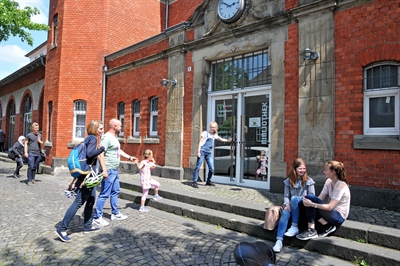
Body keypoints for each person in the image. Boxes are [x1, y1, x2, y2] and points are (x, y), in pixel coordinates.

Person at [55, 120, 108, 242]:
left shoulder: (88, 139)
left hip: (88, 175)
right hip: (87, 177)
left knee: (91, 200)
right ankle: (62, 229)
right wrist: (101, 149)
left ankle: (88, 226)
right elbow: (90, 154)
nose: (102, 130)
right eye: (100, 128)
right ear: (94, 129)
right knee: (78, 203)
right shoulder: (93, 138)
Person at [93, 118, 138, 226]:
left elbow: (118, 150)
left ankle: (115, 213)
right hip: (108, 169)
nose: (121, 128)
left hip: (114, 170)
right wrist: (104, 170)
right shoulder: (107, 138)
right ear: (114, 127)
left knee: (115, 191)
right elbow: (100, 154)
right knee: (104, 194)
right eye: (120, 126)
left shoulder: (114, 138)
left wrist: (130, 157)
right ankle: (97, 217)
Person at [296, 160, 351, 241]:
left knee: (310, 199)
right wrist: (308, 202)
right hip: (329, 214)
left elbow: (330, 207)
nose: (324, 172)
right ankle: (326, 225)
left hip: (338, 217)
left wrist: (312, 204)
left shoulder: (341, 185)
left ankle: (311, 230)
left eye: (326, 170)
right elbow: (319, 199)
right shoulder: (329, 182)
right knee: (303, 202)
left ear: (333, 173)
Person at [272, 158, 315, 253]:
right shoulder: (289, 181)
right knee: (285, 212)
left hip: (303, 207)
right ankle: (279, 241)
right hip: (292, 207)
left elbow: (312, 197)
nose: (302, 170)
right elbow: (286, 196)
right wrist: (287, 204)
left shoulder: (309, 181)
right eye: (300, 168)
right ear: (295, 169)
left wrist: (304, 198)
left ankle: (294, 226)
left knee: (295, 198)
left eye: (304, 168)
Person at [192, 121, 232, 188]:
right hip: (202, 151)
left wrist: (228, 140)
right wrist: (198, 151)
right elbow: (200, 142)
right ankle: (194, 181)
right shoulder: (205, 133)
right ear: (209, 127)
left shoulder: (214, 135)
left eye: (213, 127)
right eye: (211, 127)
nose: (212, 128)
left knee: (212, 168)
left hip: (208, 152)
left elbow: (221, 139)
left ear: (215, 128)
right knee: (198, 167)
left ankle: (208, 181)